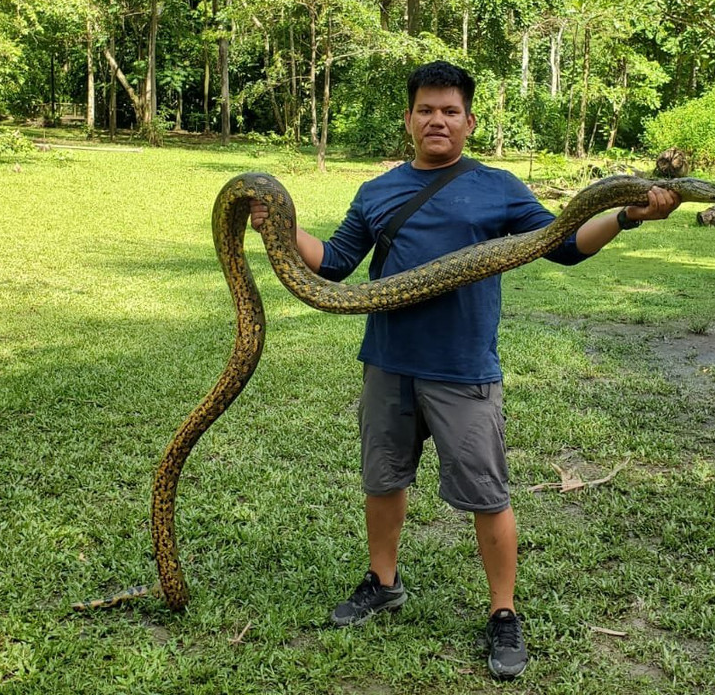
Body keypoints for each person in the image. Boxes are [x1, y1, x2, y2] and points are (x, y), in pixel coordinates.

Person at [249, 60, 680, 680]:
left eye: (450, 111)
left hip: (463, 368)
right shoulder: (378, 191)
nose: (437, 120)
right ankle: (382, 580)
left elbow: (564, 245)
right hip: (388, 364)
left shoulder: (499, 188)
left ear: (469, 122)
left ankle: (503, 613)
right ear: (409, 119)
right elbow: (337, 264)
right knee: (383, 480)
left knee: (487, 494)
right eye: (426, 109)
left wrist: (628, 215)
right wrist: (285, 230)